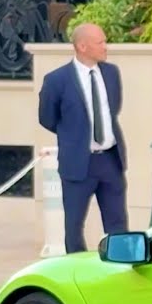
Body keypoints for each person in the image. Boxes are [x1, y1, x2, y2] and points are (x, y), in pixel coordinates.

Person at [37, 22, 129, 253]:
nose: (106, 46)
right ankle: (76, 271)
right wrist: (73, 136)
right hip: (78, 163)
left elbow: (112, 109)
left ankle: (120, 266)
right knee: (74, 225)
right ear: (82, 46)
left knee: (118, 222)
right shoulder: (56, 80)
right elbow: (47, 118)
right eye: (101, 42)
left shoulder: (112, 73)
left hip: (110, 160)